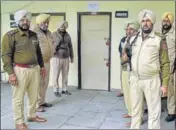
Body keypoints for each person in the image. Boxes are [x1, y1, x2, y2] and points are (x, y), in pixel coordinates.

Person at [122, 9, 170, 129]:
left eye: (148, 20)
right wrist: (126, 52)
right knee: (135, 112)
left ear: (152, 22)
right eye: (143, 20)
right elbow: (123, 59)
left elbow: (165, 63)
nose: (145, 23)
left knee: (154, 113)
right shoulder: (133, 39)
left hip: (151, 81)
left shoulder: (159, 39)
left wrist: (164, 84)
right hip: (135, 79)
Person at [1, 10, 47, 130]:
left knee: (33, 96)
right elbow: (6, 55)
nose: (25, 22)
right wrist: (11, 73)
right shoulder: (10, 36)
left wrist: (42, 67)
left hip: (34, 69)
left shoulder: (34, 35)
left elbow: (38, 53)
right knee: (18, 98)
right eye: (22, 19)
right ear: (17, 21)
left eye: (27, 19)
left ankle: (31, 116)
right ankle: (19, 122)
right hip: (19, 70)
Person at [32, 13, 54, 112]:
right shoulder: (34, 33)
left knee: (45, 83)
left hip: (47, 61)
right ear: (39, 23)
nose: (46, 24)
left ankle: (42, 101)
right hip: (38, 63)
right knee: (38, 84)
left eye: (47, 22)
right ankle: (36, 105)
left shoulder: (49, 33)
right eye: (44, 22)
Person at [121, 20, 140, 127]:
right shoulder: (127, 39)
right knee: (127, 93)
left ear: (136, 30)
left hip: (133, 71)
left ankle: (137, 119)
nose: (128, 31)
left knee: (135, 97)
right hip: (125, 69)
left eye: (131, 29)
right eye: (127, 29)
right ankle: (130, 112)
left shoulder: (138, 41)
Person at [51, 21, 74, 97]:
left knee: (65, 74)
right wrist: (58, 39)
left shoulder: (68, 35)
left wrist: (72, 56)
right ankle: (55, 90)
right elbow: (51, 45)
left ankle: (64, 89)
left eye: (64, 26)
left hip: (66, 57)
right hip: (57, 57)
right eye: (61, 26)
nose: (63, 28)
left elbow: (70, 46)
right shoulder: (54, 34)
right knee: (56, 74)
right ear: (58, 26)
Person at [161, 12, 175, 122]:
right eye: (164, 21)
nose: (166, 23)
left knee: (171, 90)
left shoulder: (174, 33)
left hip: (172, 66)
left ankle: (172, 112)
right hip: (162, 66)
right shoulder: (160, 33)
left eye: (168, 21)